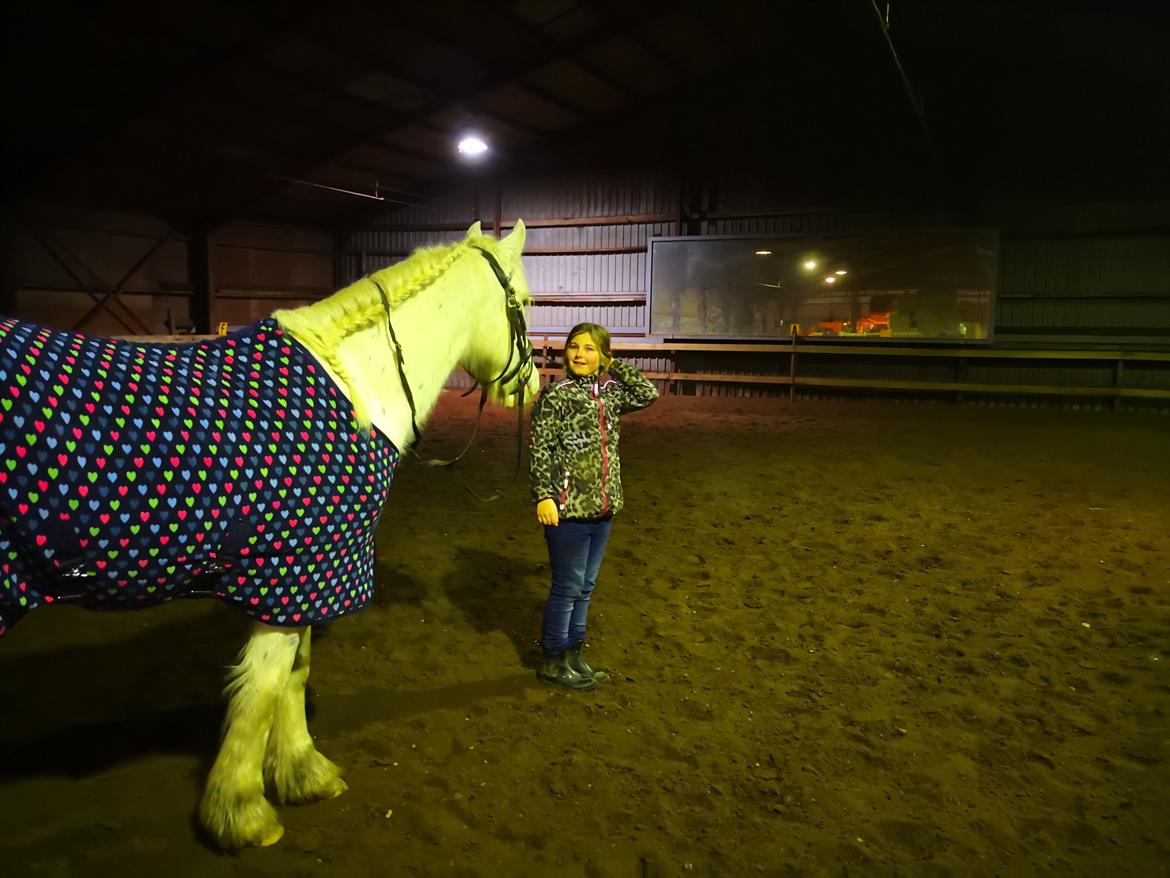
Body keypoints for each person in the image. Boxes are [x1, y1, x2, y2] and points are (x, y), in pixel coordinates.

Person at [528, 322, 659, 690]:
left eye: (589, 349)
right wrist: (544, 494)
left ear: (601, 356)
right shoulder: (556, 396)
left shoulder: (610, 394)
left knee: (585, 586)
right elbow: (541, 448)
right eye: (574, 347)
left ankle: (574, 653)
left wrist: (614, 366)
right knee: (567, 587)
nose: (579, 354)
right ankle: (553, 659)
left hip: (603, 507)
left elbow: (648, 393)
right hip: (568, 508)